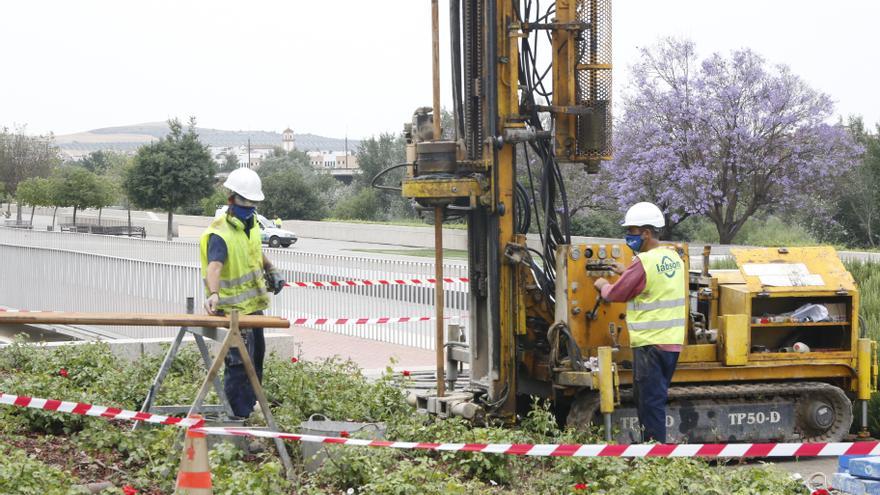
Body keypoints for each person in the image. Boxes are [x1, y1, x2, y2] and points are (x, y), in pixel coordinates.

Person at [593, 202, 686, 443]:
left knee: (649, 402)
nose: (629, 236)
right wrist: (628, 271)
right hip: (671, 343)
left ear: (646, 233)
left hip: (650, 345)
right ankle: (653, 452)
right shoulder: (673, 257)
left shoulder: (643, 262)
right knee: (655, 397)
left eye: (632, 231)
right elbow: (653, 285)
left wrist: (603, 285)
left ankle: (655, 456)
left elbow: (616, 294)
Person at [200, 167, 285, 418]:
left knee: (255, 359)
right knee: (239, 364)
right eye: (244, 202)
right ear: (231, 199)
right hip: (235, 311)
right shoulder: (220, 232)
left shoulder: (250, 226)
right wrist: (213, 294)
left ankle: (246, 410)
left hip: (253, 309)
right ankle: (236, 418)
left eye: (253, 203)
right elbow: (214, 266)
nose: (249, 207)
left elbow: (254, 252)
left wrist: (271, 269)